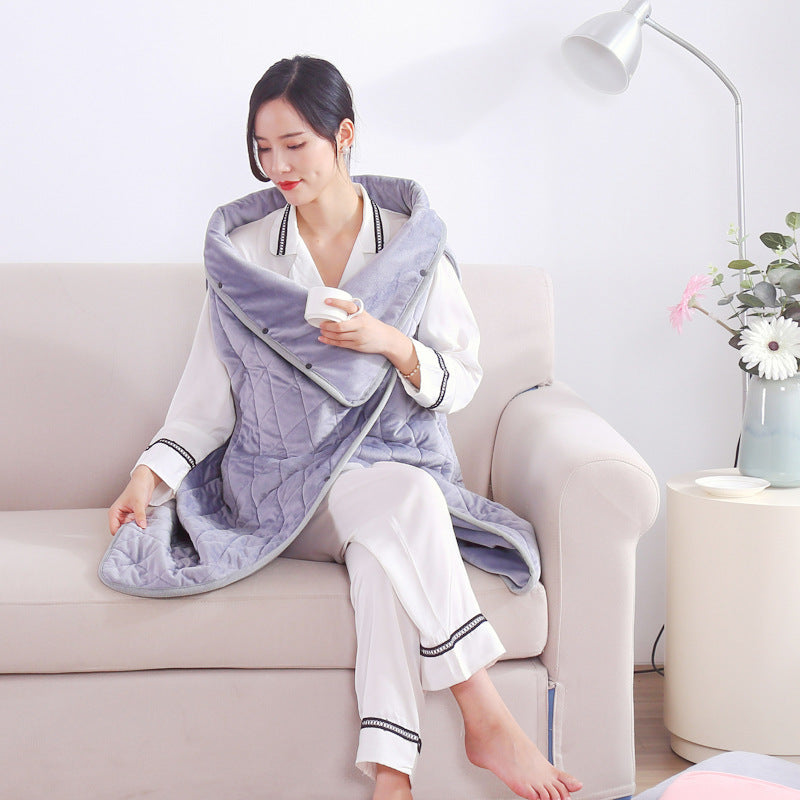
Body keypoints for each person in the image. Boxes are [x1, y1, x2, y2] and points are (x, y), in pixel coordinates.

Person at [107, 55, 582, 800]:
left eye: (295, 145)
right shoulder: (247, 257)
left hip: (386, 476)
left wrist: (388, 343)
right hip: (281, 487)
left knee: (386, 552)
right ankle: (486, 714)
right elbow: (204, 402)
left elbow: (461, 380)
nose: (278, 167)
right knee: (406, 505)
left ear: (345, 135)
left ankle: (391, 776)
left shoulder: (412, 249)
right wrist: (147, 476)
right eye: (264, 149)